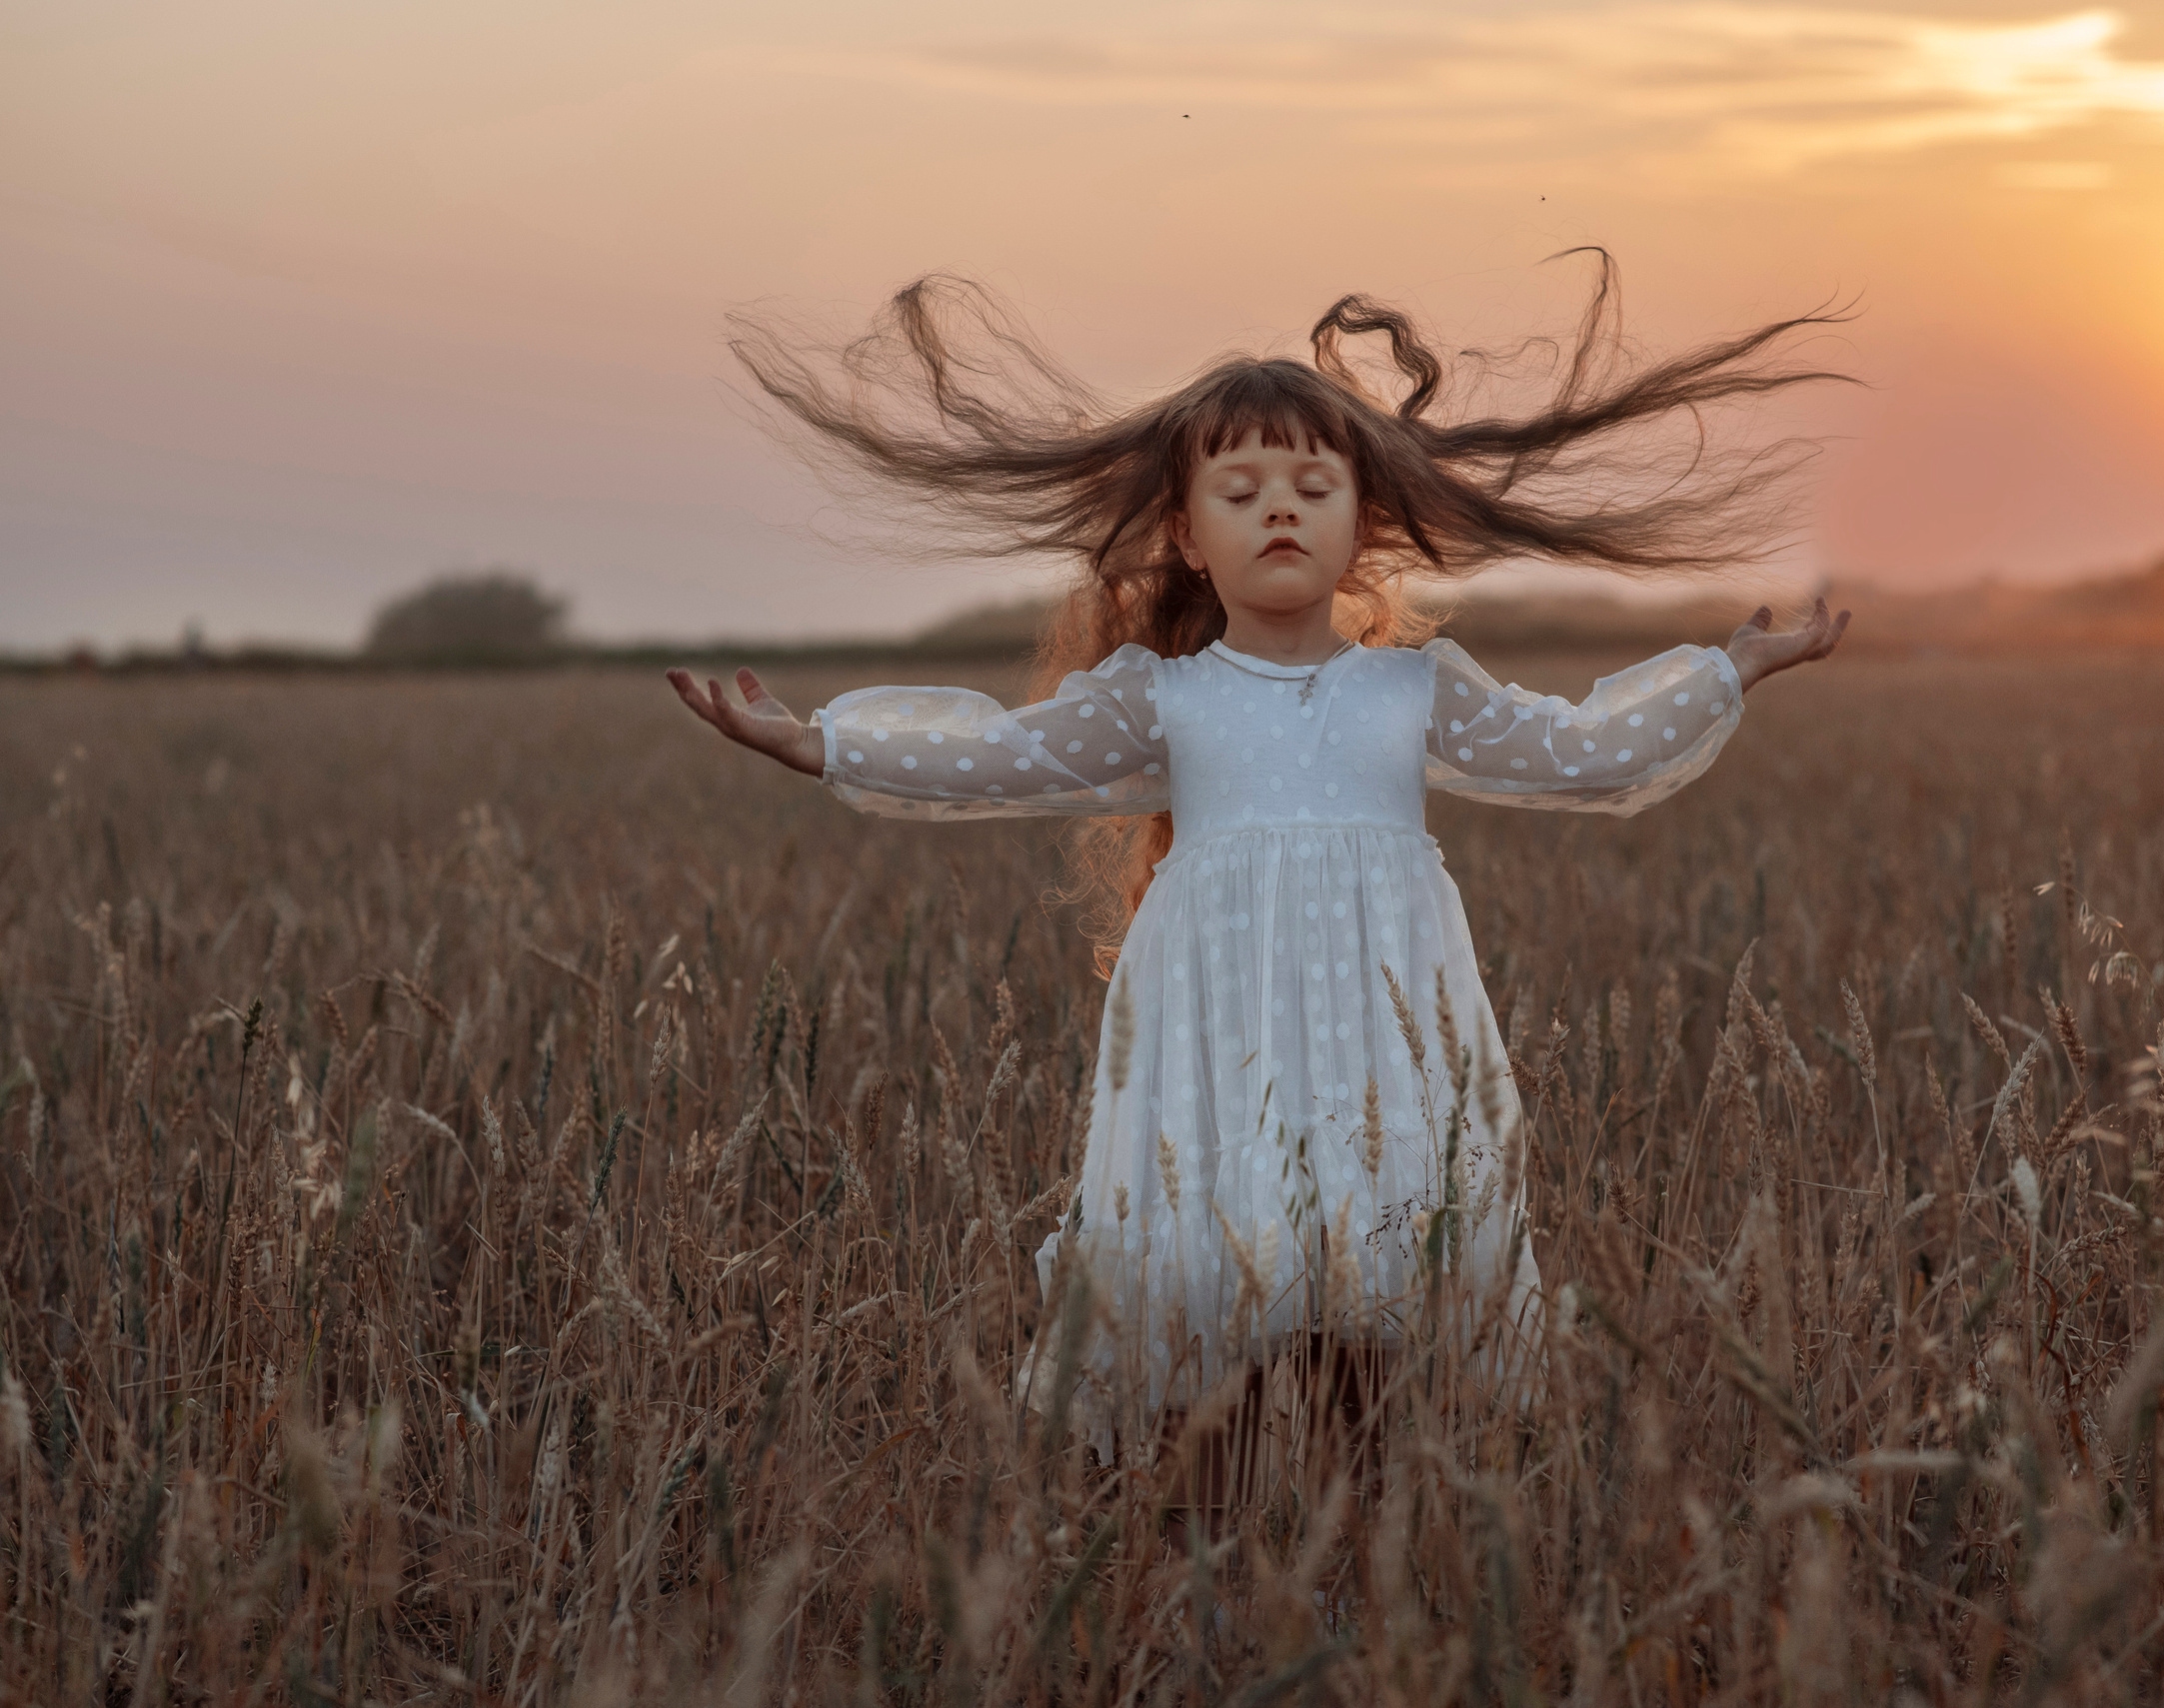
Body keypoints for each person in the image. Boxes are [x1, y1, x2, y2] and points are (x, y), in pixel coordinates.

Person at [668, 255, 1849, 1491]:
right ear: (1186, 534)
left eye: (1309, 485)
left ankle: (1366, 1566)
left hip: (1381, 1038)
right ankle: (1200, 1578)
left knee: (1378, 1288)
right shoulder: (1161, 697)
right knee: (1207, 1299)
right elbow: (1000, 754)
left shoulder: (1413, 683)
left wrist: (1731, 671)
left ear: (1361, 524)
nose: (1277, 509)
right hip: (1215, 1046)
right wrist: (818, 741)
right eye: (1238, 490)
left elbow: (1575, 752)